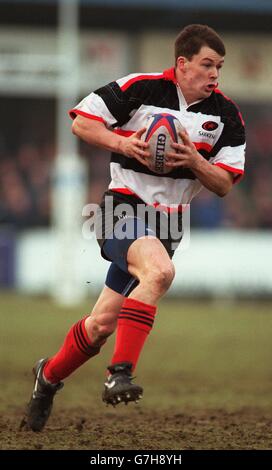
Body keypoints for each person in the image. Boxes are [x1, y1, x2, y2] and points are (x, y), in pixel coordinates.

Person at [21, 24, 245, 432]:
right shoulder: (139, 88)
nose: (215, 74)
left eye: (219, 67)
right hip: (119, 208)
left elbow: (225, 184)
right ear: (182, 63)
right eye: (207, 65)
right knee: (159, 273)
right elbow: (81, 124)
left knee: (101, 325)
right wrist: (124, 144)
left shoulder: (225, 115)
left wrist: (194, 160)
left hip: (168, 224)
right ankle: (119, 372)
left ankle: (48, 377)